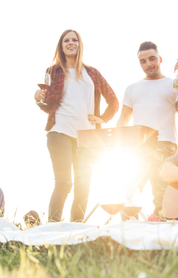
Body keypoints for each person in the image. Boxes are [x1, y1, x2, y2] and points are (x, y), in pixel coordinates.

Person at [34, 29, 119, 223]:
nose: (71, 43)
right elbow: (48, 105)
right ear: (61, 47)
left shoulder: (93, 73)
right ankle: (52, 230)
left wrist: (103, 118)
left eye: (75, 40)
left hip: (87, 138)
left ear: (80, 44)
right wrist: (38, 99)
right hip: (60, 132)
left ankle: (76, 232)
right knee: (63, 184)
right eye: (66, 41)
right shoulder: (53, 71)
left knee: (83, 186)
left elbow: (113, 101)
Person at [116, 41, 178, 217]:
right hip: (136, 147)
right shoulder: (132, 89)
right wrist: (117, 144)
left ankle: (163, 238)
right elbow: (123, 120)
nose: (148, 64)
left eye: (152, 59)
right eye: (143, 61)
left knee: (163, 196)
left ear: (160, 59)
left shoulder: (175, 86)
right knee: (128, 193)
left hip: (165, 146)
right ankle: (126, 237)